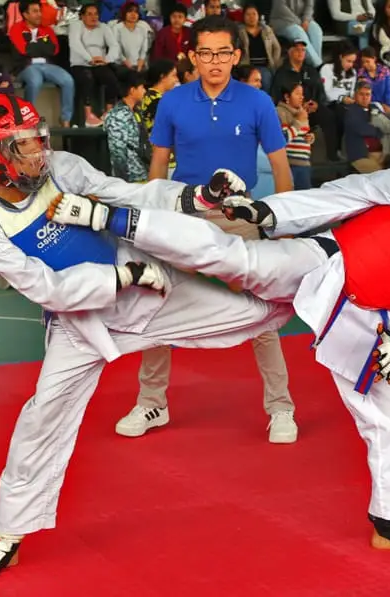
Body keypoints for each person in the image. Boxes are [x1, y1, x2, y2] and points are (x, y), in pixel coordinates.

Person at [48, 111, 390, 556]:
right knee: (233, 257)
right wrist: (270, 214)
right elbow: (341, 195)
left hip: (365, 317)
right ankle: (112, 217)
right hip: (320, 263)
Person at [0, 94, 294, 583]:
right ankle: (8, 537)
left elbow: (127, 194)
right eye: (23, 147)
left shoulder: (63, 169)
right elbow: (44, 288)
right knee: (42, 417)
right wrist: (120, 277)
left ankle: (327, 285)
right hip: (82, 324)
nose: (38, 153)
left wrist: (197, 197)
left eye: (38, 141)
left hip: (153, 294)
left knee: (260, 312)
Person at [128, 15, 298, 444]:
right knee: (157, 305)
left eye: (223, 52)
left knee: (260, 314)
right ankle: (152, 402)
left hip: (240, 218)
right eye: (206, 53)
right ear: (192, 57)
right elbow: (158, 164)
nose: (215, 61)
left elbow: (280, 166)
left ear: (236, 56)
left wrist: (285, 226)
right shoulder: (172, 102)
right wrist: (153, 211)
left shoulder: (257, 101)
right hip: (183, 214)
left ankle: (281, 409)